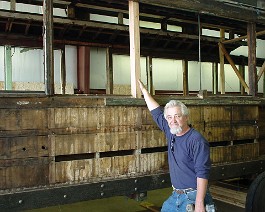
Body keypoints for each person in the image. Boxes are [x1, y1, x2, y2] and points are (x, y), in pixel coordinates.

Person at [138, 80, 215, 212]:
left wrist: (199, 203)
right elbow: (156, 112)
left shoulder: (196, 140)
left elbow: (202, 172)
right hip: (177, 195)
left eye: (177, 116)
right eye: (169, 117)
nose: (173, 121)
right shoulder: (172, 132)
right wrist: (144, 91)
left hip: (193, 196)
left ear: (185, 117)